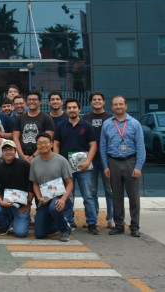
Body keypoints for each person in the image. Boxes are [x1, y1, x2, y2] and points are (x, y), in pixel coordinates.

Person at [100, 96, 145, 238]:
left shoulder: (135, 124)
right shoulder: (107, 124)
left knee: (133, 197)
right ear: (112, 107)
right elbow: (102, 146)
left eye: (121, 104)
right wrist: (105, 166)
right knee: (116, 196)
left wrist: (138, 166)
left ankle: (135, 226)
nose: (118, 106)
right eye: (115, 104)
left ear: (126, 106)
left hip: (130, 162)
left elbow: (140, 147)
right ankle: (119, 225)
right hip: (113, 162)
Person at [54, 98, 99, 235]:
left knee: (88, 195)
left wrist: (87, 162)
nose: (72, 110)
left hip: (83, 167)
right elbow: (56, 144)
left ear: (79, 110)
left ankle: (92, 223)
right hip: (66, 167)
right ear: (66, 109)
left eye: (74, 107)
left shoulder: (86, 126)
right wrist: (58, 161)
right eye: (69, 108)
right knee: (68, 196)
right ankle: (69, 221)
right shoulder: (61, 126)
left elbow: (93, 145)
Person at [29, 133, 74, 242]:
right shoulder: (34, 162)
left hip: (61, 197)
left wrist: (63, 199)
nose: (42, 145)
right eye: (40, 143)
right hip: (45, 199)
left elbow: (70, 183)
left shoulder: (61, 160)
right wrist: (39, 197)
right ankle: (64, 223)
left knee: (54, 207)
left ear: (51, 144)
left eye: (45, 142)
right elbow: (35, 183)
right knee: (39, 234)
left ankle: (63, 230)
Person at [83, 91, 115, 228]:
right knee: (92, 191)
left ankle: (111, 218)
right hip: (91, 159)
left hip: (107, 159)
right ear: (91, 102)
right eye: (94, 99)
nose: (97, 101)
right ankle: (93, 217)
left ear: (104, 102)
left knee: (110, 190)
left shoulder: (110, 117)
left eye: (99, 99)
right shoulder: (86, 118)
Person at [0, 139, 33, 237]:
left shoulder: (24, 165)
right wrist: (1, 202)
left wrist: (28, 204)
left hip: (21, 205)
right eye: (5, 150)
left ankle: (19, 219)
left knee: (20, 233)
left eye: (10, 149)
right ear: (2, 152)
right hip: (5, 203)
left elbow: (31, 186)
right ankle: (6, 224)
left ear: (15, 151)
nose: (8, 152)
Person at [13, 91, 55, 163]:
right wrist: (22, 156)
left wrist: (34, 156)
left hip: (41, 158)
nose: (31, 102)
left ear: (40, 102)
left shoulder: (47, 118)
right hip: (23, 158)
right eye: (29, 100)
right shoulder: (20, 118)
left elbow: (48, 139)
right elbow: (15, 138)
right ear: (26, 102)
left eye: (34, 99)